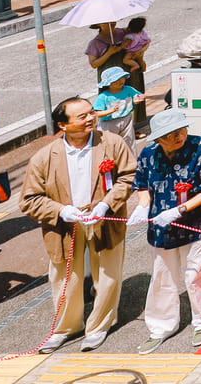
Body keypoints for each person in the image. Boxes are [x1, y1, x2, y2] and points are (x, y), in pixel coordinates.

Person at [18, 96, 136, 354]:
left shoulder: (112, 143)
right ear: (63, 125)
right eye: (81, 116)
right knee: (64, 278)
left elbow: (128, 176)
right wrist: (62, 211)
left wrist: (107, 203)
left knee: (107, 274)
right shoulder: (44, 157)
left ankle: (99, 326)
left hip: (104, 219)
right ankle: (66, 328)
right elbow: (28, 200)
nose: (90, 119)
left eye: (91, 113)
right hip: (65, 224)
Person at [130, 109, 201, 354]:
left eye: (181, 130)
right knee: (162, 276)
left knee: (197, 273)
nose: (178, 136)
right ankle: (160, 327)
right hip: (160, 227)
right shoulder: (148, 154)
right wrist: (142, 206)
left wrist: (179, 209)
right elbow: (141, 185)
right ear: (157, 139)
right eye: (170, 134)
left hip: (199, 223)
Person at [91, 66, 139, 150]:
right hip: (109, 123)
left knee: (129, 142)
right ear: (108, 83)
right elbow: (97, 113)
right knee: (109, 144)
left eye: (122, 78)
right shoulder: (103, 96)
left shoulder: (128, 89)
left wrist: (137, 99)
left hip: (126, 118)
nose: (120, 81)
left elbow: (136, 96)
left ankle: (132, 160)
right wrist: (111, 110)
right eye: (116, 80)